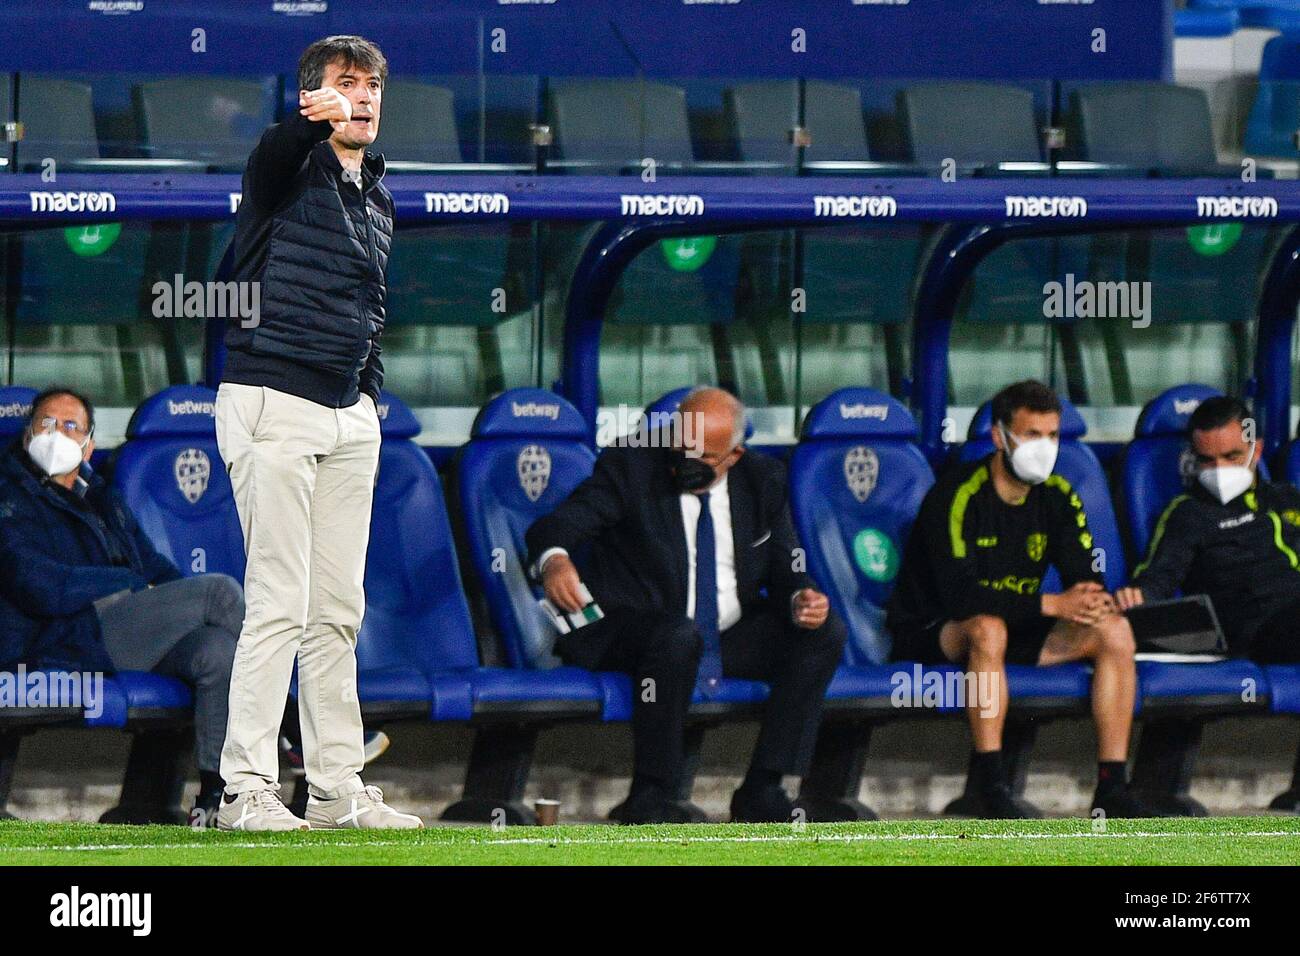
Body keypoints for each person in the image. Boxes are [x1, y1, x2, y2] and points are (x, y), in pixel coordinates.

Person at [213, 35, 419, 830]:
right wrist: (305, 123)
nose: (362, 97)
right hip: (272, 400)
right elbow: (269, 155)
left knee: (337, 610)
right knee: (276, 605)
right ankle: (245, 790)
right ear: (312, 97)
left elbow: (367, 309)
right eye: (344, 85)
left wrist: (365, 399)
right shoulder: (285, 169)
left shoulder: (377, 194)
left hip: (347, 413)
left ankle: (336, 789)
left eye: (370, 87)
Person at [526, 386, 847, 824]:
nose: (682, 462)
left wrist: (800, 597)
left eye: (701, 456)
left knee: (824, 632)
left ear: (733, 455)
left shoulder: (762, 480)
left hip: (724, 634)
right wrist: (556, 561)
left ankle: (764, 787)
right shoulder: (632, 467)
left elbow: (787, 564)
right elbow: (558, 525)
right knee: (677, 636)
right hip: (637, 628)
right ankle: (651, 795)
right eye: (679, 446)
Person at [886, 380, 1152, 818]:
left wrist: (1092, 601)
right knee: (987, 629)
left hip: (1017, 624)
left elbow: (1084, 576)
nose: (1044, 448)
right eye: (1031, 435)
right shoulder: (956, 495)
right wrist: (1053, 605)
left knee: (1114, 631)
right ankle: (992, 788)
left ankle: (1112, 787)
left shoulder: (1059, 495)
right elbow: (961, 596)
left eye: (1052, 436)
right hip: (937, 629)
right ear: (999, 436)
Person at [0, 388, 242, 825]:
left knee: (216, 649)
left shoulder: (102, 498)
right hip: (68, 637)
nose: (57, 433)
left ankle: (216, 797)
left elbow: (156, 568)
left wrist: (166, 601)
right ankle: (296, 726)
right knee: (220, 592)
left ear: (89, 443)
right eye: (46, 423)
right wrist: (131, 584)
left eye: (71, 425)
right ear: (26, 434)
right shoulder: (8, 495)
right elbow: (41, 586)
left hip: (122, 629)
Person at [1119, 396, 1300, 664]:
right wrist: (1139, 594)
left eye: (1231, 456)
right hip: (1255, 629)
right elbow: (1159, 577)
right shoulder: (1188, 514)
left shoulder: (1286, 497)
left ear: (1256, 450)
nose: (1219, 469)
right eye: (1207, 460)